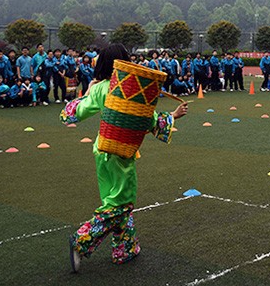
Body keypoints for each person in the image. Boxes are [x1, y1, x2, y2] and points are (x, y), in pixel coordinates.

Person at [60, 44, 188, 271]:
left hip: (102, 149)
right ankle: (82, 240)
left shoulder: (99, 88)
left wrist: (86, 94)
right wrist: (173, 116)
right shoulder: (126, 89)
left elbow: (75, 113)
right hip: (121, 152)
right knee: (122, 202)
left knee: (113, 201)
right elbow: (146, 119)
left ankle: (125, 248)